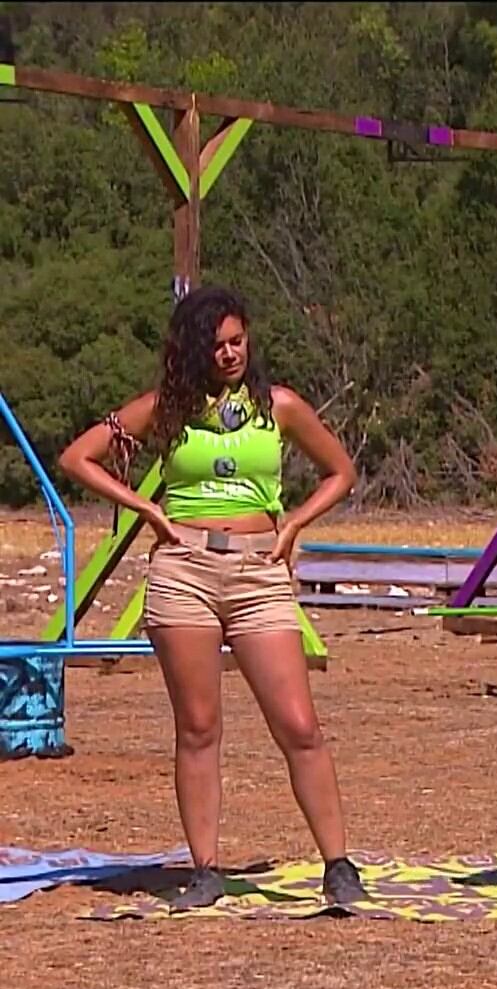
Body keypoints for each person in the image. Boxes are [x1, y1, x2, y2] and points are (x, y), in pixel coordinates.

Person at [57, 285, 368, 911]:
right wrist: (146, 509)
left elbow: (341, 472)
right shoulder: (167, 408)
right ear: (193, 350)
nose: (229, 354)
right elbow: (77, 457)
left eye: (237, 341)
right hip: (184, 572)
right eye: (216, 345)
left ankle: (338, 865)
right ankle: (205, 869)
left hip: (258, 571)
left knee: (299, 724)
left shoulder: (279, 406)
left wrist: (294, 523)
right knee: (198, 726)